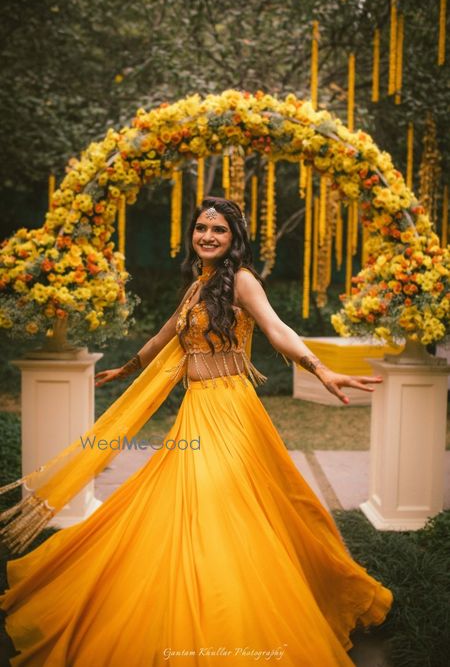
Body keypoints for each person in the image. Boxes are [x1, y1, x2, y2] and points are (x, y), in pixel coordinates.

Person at [0, 196, 393, 666]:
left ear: (234, 239)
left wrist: (319, 368)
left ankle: (236, 615)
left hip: (232, 410)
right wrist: (126, 369)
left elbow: (276, 328)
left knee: (222, 502)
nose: (207, 236)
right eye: (202, 228)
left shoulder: (242, 281)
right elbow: (163, 336)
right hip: (196, 410)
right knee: (181, 505)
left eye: (219, 230)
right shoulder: (198, 286)